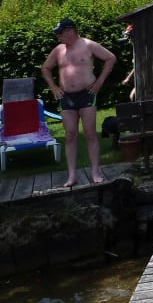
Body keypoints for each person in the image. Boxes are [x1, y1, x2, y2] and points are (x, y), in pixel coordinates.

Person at [41, 18, 116, 186]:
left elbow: (110, 58)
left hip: (87, 94)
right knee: (70, 135)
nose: (58, 37)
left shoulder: (88, 45)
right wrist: (53, 87)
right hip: (66, 97)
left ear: (71, 31)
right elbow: (45, 68)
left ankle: (95, 172)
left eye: (60, 33)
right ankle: (72, 175)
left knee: (90, 133)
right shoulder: (59, 50)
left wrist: (99, 82)